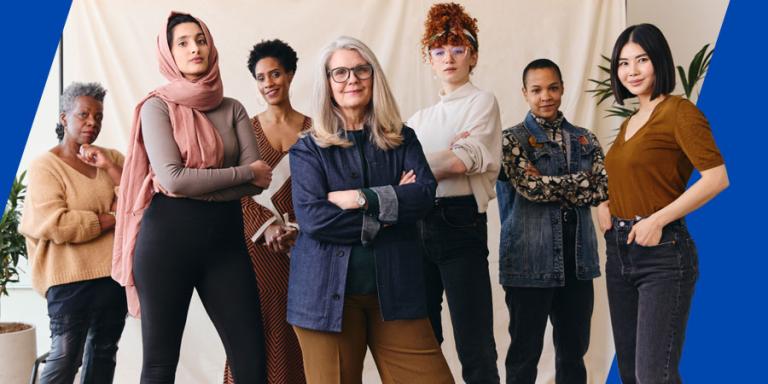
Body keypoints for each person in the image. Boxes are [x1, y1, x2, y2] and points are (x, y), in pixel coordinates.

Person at [112, 12, 273, 383]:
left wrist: (228, 180)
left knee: (251, 360)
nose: (194, 48)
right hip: (166, 243)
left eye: (199, 39)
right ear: (168, 53)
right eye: (182, 42)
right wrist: (243, 173)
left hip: (226, 245)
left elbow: (258, 182)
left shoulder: (232, 107)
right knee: (159, 363)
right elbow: (174, 179)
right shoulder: (157, 106)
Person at [288, 35, 454, 384]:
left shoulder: (402, 138)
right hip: (324, 298)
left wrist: (360, 199)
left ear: (374, 76)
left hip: (395, 291)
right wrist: (392, 208)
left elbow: (424, 196)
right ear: (327, 83)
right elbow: (314, 219)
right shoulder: (308, 149)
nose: (352, 79)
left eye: (361, 70)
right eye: (341, 73)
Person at [599, 23, 729, 384]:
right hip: (620, 252)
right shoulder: (629, 123)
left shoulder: (679, 112)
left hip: (663, 254)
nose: (632, 71)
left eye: (642, 60)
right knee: (630, 374)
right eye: (624, 63)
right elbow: (628, 176)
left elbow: (717, 177)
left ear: (659, 61)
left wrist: (658, 220)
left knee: (653, 376)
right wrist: (603, 203)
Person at [498, 59, 608, 384]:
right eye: (537, 90)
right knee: (523, 356)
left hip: (578, 264)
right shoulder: (511, 141)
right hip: (528, 264)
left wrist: (546, 183)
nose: (545, 96)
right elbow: (529, 189)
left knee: (573, 356)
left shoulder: (585, 139)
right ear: (525, 93)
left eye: (552, 87)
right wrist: (579, 182)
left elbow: (600, 188)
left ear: (562, 88)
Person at [406, 3, 501, 382]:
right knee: (423, 337)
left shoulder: (482, 102)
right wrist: (445, 155)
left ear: (473, 55)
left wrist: (417, 166)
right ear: (429, 59)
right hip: (417, 224)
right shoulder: (418, 120)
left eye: (458, 48)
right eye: (439, 50)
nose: (449, 58)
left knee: (473, 340)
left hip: (460, 222)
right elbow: (430, 164)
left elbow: (461, 163)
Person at [20, 82, 127, 384]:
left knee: (104, 353)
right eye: (84, 115)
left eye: (99, 116)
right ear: (64, 118)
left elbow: (138, 198)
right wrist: (112, 216)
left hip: (112, 274)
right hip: (67, 279)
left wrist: (108, 168)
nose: (92, 122)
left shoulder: (113, 159)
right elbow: (58, 223)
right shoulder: (45, 167)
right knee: (66, 358)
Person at [222, 39, 309, 384]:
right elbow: (234, 190)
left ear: (290, 75)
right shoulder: (244, 130)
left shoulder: (316, 131)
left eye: (275, 74)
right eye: (261, 78)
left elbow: (322, 192)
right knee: (252, 328)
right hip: (254, 248)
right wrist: (268, 228)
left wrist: (297, 230)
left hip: (302, 248)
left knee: (299, 332)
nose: (269, 83)